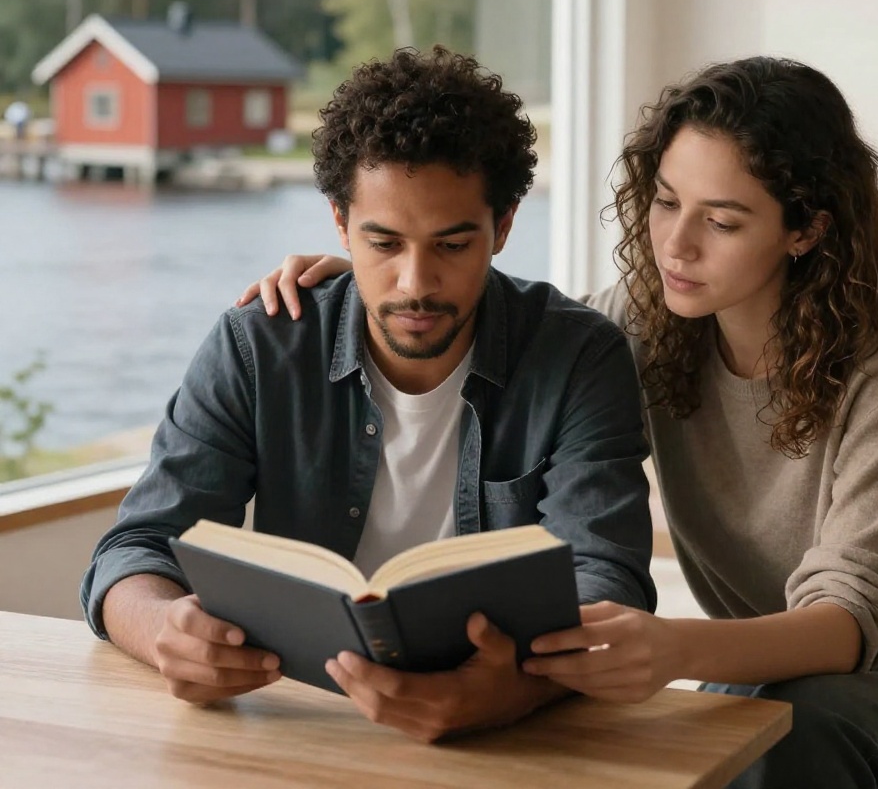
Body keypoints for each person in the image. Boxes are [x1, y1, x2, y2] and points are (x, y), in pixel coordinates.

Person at [245, 56, 878, 786]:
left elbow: (856, 613)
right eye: (666, 201)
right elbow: (522, 338)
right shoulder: (644, 321)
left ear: (806, 229)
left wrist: (675, 648)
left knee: (781, 731)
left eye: (722, 222)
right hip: (771, 676)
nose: (676, 245)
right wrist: (379, 288)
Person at [82, 46, 656, 743]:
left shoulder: (579, 357)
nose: (415, 284)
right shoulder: (259, 347)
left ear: (503, 226)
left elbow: (608, 580)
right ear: (339, 223)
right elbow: (137, 547)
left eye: (452, 246)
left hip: (510, 739)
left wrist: (516, 691)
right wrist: (163, 631)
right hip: (301, 723)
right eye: (383, 244)